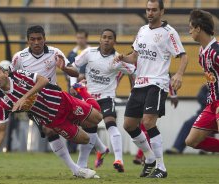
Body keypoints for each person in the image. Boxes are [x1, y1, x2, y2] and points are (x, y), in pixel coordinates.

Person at [9, 25, 99, 178]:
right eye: (33, 39)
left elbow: (75, 72)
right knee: (49, 130)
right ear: (27, 41)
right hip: (36, 104)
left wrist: (64, 68)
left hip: (58, 98)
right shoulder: (19, 57)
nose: (36, 42)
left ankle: (98, 151)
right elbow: (11, 78)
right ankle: (76, 169)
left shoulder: (55, 53)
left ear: (44, 39)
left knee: (93, 121)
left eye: (39, 39)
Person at [0, 65, 102, 178]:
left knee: (98, 118)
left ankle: (82, 90)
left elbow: (43, 80)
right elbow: (1, 131)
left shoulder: (18, 75)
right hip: (54, 120)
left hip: (62, 101)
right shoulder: (2, 103)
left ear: (5, 73)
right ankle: (76, 169)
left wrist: (24, 97)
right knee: (85, 139)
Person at [114, 0, 188, 178]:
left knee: (148, 122)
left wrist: (178, 74)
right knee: (129, 125)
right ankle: (149, 158)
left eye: (154, 10)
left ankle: (161, 167)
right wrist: (123, 57)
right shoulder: (142, 30)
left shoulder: (169, 33)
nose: (150, 13)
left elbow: (183, 56)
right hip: (140, 83)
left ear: (162, 11)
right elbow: (135, 57)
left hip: (157, 83)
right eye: (148, 9)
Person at [71, 28, 136, 172]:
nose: (107, 40)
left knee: (110, 124)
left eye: (110, 38)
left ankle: (118, 159)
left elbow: (133, 70)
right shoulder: (89, 53)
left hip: (106, 98)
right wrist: (74, 84)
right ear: (100, 40)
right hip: (89, 99)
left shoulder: (118, 59)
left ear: (115, 41)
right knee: (90, 132)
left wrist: (135, 89)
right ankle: (82, 165)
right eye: (104, 37)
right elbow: (74, 67)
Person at [185, 9, 219, 153]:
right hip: (211, 103)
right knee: (191, 141)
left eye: (191, 28)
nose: (189, 31)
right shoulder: (201, 52)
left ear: (198, 28)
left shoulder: (216, 52)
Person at [165, 85, 208, 154]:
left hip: (215, 114)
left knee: (210, 126)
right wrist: (210, 102)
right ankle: (177, 148)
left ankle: (207, 149)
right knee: (188, 123)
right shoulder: (207, 86)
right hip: (203, 113)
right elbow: (200, 97)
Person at [66, 29, 90, 153]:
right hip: (75, 90)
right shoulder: (71, 54)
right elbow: (68, 71)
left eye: (82, 38)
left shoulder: (91, 52)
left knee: (87, 116)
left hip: (88, 89)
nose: (80, 40)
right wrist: (73, 85)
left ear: (86, 38)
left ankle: (89, 145)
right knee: (72, 116)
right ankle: (72, 146)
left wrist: (84, 76)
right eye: (78, 38)